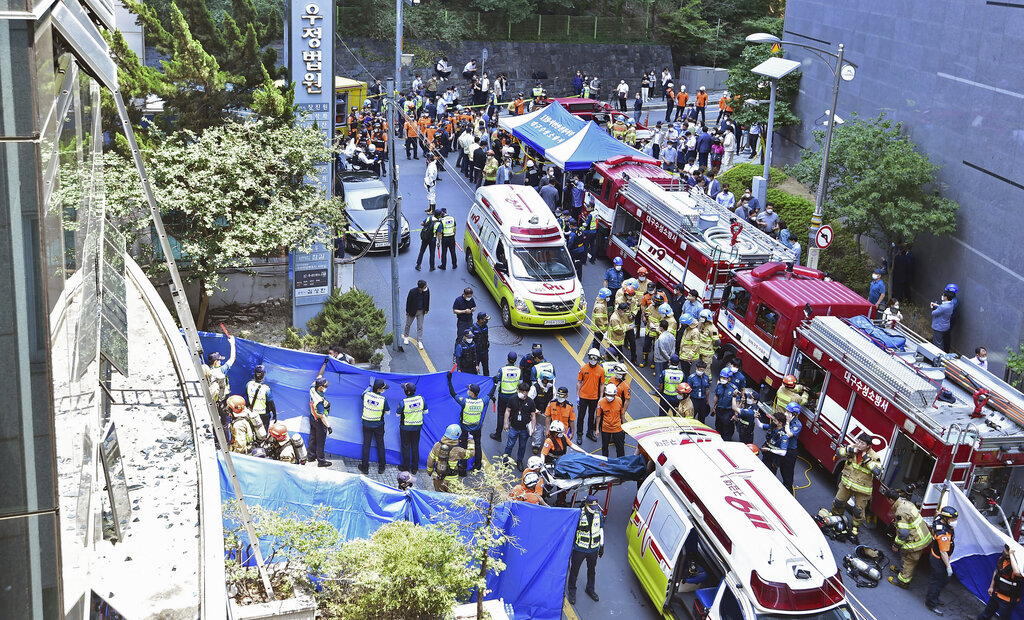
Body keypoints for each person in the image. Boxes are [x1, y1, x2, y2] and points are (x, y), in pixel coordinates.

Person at [830, 433, 883, 536]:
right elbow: (838, 452)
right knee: (838, 502)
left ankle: (855, 527)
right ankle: (837, 518)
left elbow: (877, 471)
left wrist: (866, 459)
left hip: (862, 489)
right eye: (858, 441)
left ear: (868, 446)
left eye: (862, 443)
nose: (859, 444)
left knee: (858, 511)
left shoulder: (874, 456)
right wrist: (849, 450)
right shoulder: (853, 447)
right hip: (847, 484)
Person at [883, 487, 933, 589]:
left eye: (887, 500)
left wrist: (896, 545)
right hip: (922, 536)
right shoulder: (907, 504)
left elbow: (904, 534)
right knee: (905, 555)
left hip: (917, 541)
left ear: (891, 500)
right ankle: (902, 570)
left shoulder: (900, 512)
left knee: (909, 560)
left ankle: (903, 581)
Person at [566, 495, 605, 605]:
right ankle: (572, 592)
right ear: (586, 505)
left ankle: (590, 589)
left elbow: (601, 529)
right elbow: (572, 531)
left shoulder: (598, 513)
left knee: (592, 571)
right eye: (591, 508)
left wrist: (602, 545)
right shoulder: (579, 514)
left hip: (593, 549)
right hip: (580, 549)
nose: (594, 510)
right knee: (574, 571)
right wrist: (570, 547)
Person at [447, 372, 486, 473]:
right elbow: (489, 395)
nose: (467, 391)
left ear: (472, 393)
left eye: (469, 390)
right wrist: (494, 385)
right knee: (477, 445)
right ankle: (477, 466)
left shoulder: (465, 402)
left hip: (465, 429)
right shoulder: (482, 401)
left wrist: (449, 380)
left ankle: (463, 468)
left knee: (463, 447)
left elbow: (453, 393)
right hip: (476, 428)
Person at [975, 544, 1023, 620]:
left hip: (1008, 600)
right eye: (1006, 550)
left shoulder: (1020, 566)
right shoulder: (1002, 559)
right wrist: (991, 587)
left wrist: (1011, 554)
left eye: (1007, 551)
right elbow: (996, 571)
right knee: (986, 614)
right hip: (997, 594)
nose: (1005, 552)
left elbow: (1017, 573)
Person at [926, 506, 958, 616]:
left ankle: (935, 596)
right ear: (945, 519)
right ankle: (931, 603)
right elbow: (943, 552)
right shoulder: (942, 533)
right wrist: (948, 567)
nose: (954, 522)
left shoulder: (939, 518)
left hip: (939, 558)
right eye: (953, 520)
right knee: (937, 581)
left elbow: (939, 511)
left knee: (944, 580)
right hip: (939, 560)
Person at [203, 335, 236, 440]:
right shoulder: (222, 370)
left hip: (212, 402)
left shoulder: (205, 372)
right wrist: (232, 343)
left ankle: (215, 442)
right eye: (219, 360)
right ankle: (226, 442)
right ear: (216, 362)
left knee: (214, 422)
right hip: (223, 401)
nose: (221, 362)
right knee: (225, 424)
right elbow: (233, 358)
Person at [427, 424, 474, 492]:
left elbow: (430, 461)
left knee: (438, 498)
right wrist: (470, 440)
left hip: (438, 479)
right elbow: (471, 453)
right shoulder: (458, 450)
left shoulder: (437, 445)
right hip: (452, 481)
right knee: (451, 499)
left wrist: (429, 472)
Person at [503, 382, 537, 470]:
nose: (524, 393)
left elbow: (533, 415)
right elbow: (507, 410)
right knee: (510, 445)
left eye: (525, 392)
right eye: (522, 391)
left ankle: (519, 461)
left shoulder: (530, 402)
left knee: (522, 446)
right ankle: (506, 459)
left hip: (524, 429)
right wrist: (505, 423)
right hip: (514, 426)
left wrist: (533, 428)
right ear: (518, 391)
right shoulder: (512, 399)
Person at [489, 351, 521, 442]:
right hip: (514, 396)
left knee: (501, 414)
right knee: (513, 414)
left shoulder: (502, 370)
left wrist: (493, 395)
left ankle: (498, 434)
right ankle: (514, 434)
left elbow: (497, 383)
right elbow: (520, 383)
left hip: (503, 396)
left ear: (507, 359)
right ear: (515, 360)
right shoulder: (519, 371)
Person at [397, 382, 426, 473]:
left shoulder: (403, 402)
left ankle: (405, 467)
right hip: (417, 428)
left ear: (407, 392)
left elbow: (397, 414)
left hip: (405, 428)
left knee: (405, 447)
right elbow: (426, 411)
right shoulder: (421, 399)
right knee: (415, 446)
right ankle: (414, 468)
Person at [308, 362, 333, 467]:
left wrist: (324, 364)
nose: (326, 387)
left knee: (313, 438)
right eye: (325, 386)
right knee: (321, 441)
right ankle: (321, 461)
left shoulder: (312, 388)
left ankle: (311, 456)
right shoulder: (319, 401)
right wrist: (329, 426)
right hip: (319, 421)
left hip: (312, 418)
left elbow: (319, 375)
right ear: (320, 387)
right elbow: (322, 416)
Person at [576, 349, 605, 442]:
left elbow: (602, 384)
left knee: (592, 416)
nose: (592, 359)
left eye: (594, 358)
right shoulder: (583, 368)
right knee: (581, 416)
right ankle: (579, 434)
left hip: (594, 397)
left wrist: (600, 397)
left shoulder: (601, 370)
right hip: (583, 397)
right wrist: (577, 395)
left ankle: (590, 432)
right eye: (591, 357)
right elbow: (579, 382)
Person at [528, 371, 555, 454]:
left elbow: (553, 400)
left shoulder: (552, 388)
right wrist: (535, 410)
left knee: (548, 429)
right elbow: (529, 400)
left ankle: (548, 445)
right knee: (537, 429)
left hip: (547, 413)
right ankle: (536, 445)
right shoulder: (535, 387)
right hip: (538, 413)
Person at [246, 364, 276, 432]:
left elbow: (247, 397)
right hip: (263, 415)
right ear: (264, 374)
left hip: (252, 412)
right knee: (263, 433)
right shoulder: (266, 389)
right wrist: (275, 415)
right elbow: (271, 404)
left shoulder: (248, 384)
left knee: (252, 430)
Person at [597, 383, 625, 457]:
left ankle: (621, 462)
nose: (609, 397)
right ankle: (605, 462)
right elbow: (598, 416)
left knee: (620, 448)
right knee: (605, 447)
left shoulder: (619, 401)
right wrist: (597, 429)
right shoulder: (601, 402)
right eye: (608, 395)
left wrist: (624, 425)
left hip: (617, 428)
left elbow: (622, 414)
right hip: (606, 428)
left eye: (611, 395)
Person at [710, 367, 738, 441]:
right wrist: (713, 407)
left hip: (728, 413)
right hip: (719, 410)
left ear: (729, 378)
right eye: (721, 377)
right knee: (718, 427)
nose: (722, 379)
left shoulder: (733, 389)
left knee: (727, 430)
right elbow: (716, 396)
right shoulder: (719, 386)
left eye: (724, 378)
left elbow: (737, 403)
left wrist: (735, 414)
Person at [403, 280, 430, 348]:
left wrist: (426, 309)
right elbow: (408, 301)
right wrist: (407, 311)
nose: (426, 287)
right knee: (408, 324)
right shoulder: (412, 292)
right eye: (424, 287)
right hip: (412, 310)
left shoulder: (426, 291)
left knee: (420, 326)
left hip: (421, 311)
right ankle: (406, 336)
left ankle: (419, 341)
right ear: (420, 288)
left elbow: (428, 299)